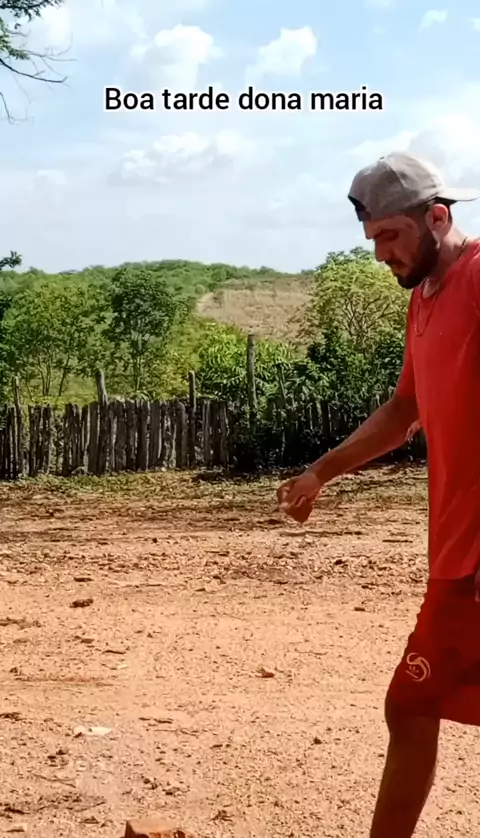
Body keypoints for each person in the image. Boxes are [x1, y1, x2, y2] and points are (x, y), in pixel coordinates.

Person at [277, 151, 480, 837]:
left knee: (412, 701)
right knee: (414, 705)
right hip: (454, 555)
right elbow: (403, 411)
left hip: (474, 560)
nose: (380, 253)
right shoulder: (425, 299)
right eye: (372, 239)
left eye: (391, 235)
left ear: (438, 217)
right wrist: (321, 471)